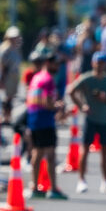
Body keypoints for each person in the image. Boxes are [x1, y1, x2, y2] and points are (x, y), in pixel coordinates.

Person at [68, 52, 106, 194]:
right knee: (85, 150)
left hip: (104, 119)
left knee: (104, 152)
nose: (100, 65)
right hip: (90, 119)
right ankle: (81, 181)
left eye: (102, 63)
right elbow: (71, 91)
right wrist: (82, 106)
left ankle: (105, 181)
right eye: (98, 62)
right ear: (93, 63)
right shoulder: (86, 78)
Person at [26, 52, 67, 200]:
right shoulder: (48, 79)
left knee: (37, 153)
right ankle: (53, 188)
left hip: (34, 119)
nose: (58, 67)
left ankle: (35, 186)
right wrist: (58, 107)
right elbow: (47, 102)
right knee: (50, 155)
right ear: (48, 63)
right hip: (44, 120)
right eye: (56, 64)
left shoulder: (37, 77)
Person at [0, 27, 23, 122]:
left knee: (11, 98)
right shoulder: (5, 49)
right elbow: (2, 65)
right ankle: (5, 116)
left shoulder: (16, 48)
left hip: (14, 76)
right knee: (6, 98)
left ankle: (8, 115)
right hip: (7, 76)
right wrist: (1, 79)